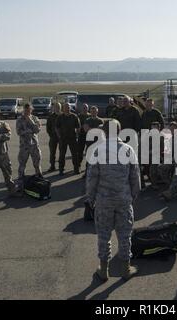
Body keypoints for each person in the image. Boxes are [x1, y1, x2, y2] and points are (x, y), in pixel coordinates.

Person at [86, 120, 141, 281]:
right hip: (123, 199)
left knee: (104, 235)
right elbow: (135, 177)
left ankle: (103, 270)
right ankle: (125, 268)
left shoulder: (98, 150)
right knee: (125, 235)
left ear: (104, 132)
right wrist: (133, 196)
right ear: (119, 131)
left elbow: (92, 178)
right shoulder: (128, 149)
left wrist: (90, 197)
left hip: (104, 200)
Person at [16, 104, 42, 179]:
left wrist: (30, 121)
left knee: (37, 164)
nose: (27, 111)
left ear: (31, 110)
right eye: (25, 110)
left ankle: (39, 180)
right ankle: (21, 181)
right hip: (24, 146)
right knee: (22, 164)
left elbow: (37, 130)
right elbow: (18, 132)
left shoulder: (35, 118)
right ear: (23, 110)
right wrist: (28, 131)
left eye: (29, 110)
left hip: (34, 145)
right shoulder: (19, 119)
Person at [56, 103, 81, 176]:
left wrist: (76, 135)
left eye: (68, 107)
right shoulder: (60, 117)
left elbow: (78, 127)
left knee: (75, 155)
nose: (67, 108)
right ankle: (61, 170)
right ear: (63, 109)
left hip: (72, 138)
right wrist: (59, 136)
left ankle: (76, 169)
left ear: (70, 108)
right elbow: (57, 127)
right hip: (63, 138)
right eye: (65, 107)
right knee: (62, 155)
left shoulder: (74, 116)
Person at [46, 102, 61, 172]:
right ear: (53, 108)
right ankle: (52, 166)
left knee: (62, 152)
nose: (57, 108)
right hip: (53, 137)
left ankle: (61, 166)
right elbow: (48, 127)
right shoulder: (51, 116)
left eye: (58, 107)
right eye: (55, 107)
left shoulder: (62, 116)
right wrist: (51, 135)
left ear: (60, 108)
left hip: (61, 137)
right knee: (52, 153)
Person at [77, 104, 91, 168]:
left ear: (88, 109)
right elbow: (76, 126)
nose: (85, 109)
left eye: (86, 108)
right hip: (81, 136)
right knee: (80, 151)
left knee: (88, 152)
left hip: (89, 137)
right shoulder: (79, 116)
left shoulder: (90, 116)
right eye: (84, 108)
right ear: (82, 108)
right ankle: (78, 165)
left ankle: (87, 167)